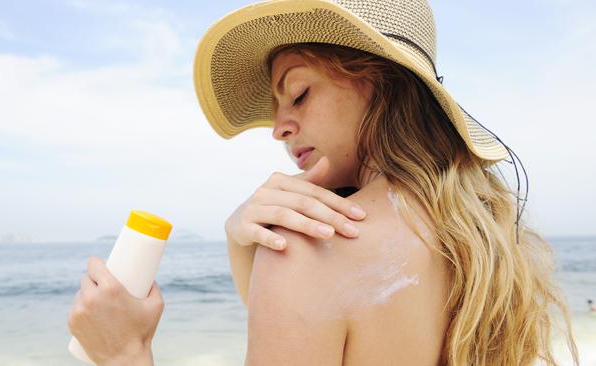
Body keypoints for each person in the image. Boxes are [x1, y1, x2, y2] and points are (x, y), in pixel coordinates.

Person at [68, 1, 579, 365]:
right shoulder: (479, 236)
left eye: (299, 93)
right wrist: (239, 242)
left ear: (378, 80)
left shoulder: (308, 250)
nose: (278, 127)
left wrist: (124, 353)